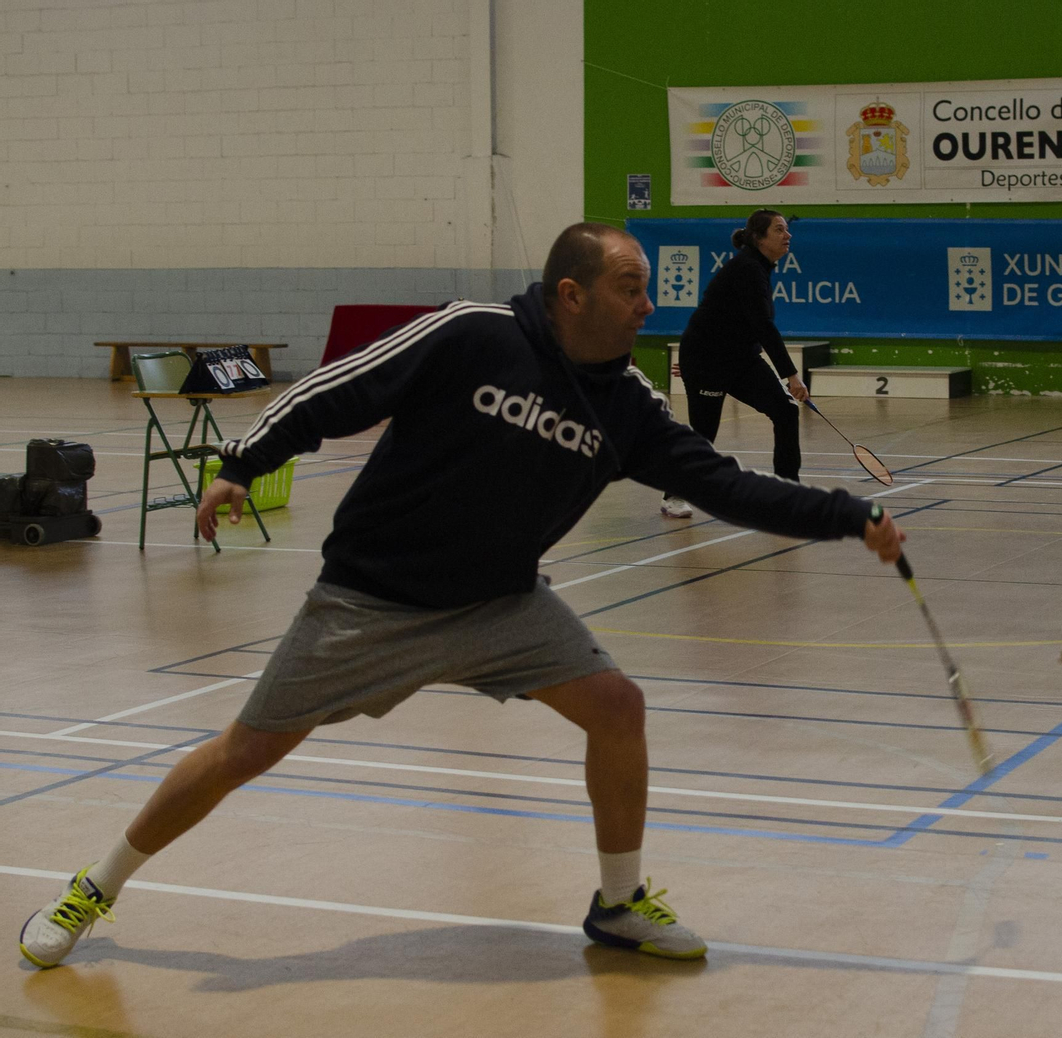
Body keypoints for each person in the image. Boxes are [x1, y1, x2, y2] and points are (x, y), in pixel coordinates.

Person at [19, 223, 905, 970]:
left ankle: (619, 901)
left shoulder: (627, 407)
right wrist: (240, 465)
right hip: (370, 600)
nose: (648, 306)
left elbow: (724, 485)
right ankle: (93, 889)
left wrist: (844, 514)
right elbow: (335, 391)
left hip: (498, 608)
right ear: (571, 293)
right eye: (631, 289)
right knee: (244, 752)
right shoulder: (475, 333)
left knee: (619, 707)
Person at [661, 209, 807, 519]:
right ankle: (673, 494)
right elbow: (763, 326)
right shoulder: (747, 269)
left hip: (739, 359)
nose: (787, 235)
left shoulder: (760, 268)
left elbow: (736, 321)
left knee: (785, 410)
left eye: (786, 229)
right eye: (779, 230)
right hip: (708, 361)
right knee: (703, 434)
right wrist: (792, 376)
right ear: (759, 238)